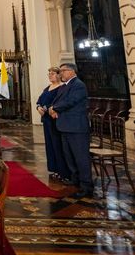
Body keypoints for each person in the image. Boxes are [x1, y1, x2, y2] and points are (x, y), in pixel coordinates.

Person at [49, 62, 94, 197]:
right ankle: (76, 180)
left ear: (72, 72)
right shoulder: (65, 86)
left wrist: (55, 109)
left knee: (81, 157)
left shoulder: (78, 85)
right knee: (69, 156)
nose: (60, 73)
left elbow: (71, 101)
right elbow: (57, 101)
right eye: (60, 71)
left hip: (76, 127)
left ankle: (86, 186)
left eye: (63, 71)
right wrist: (53, 107)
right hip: (66, 126)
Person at [35, 67, 70, 180]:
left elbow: (60, 103)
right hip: (46, 119)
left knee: (57, 145)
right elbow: (39, 100)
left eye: (53, 73)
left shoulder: (62, 88)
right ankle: (54, 168)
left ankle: (61, 170)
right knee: (50, 145)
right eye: (49, 73)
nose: (50, 75)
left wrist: (48, 108)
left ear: (59, 75)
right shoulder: (47, 88)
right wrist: (39, 107)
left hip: (55, 120)